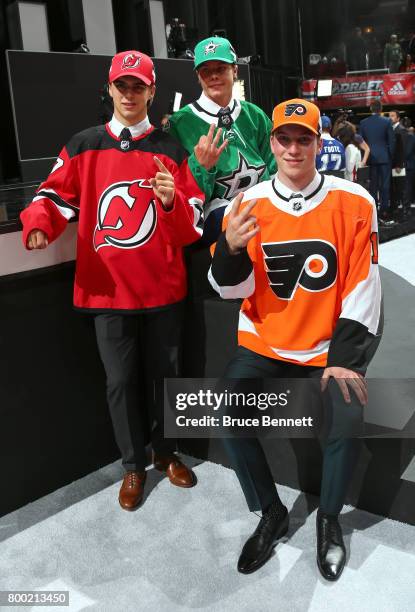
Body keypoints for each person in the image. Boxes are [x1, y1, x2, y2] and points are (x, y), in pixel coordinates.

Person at [20, 50, 205, 511]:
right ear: (109, 89)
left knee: (166, 378)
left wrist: (170, 204)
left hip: (162, 287)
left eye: (138, 86)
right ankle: (131, 466)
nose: (129, 94)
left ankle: (167, 453)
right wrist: (40, 221)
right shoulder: (83, 145)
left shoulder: (170, 149)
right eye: (122, 86)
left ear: (151, 91)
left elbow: (193, 222)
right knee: (120, 382)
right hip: (107, 291)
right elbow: (53, 195)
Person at [209, 98, 382, 581]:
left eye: (303, 138)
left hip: (327, 346)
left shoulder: (355, 201)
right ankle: (270, 511)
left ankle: (329, 519)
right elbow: (229, 287)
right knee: (224, 407)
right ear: (272, 143)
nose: (293, 148)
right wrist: (229, 249)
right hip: (264, 340)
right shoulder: (248, 204)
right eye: (284, 139)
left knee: (347, 418)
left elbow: (362, 283)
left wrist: (346, 359)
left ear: (317, 143)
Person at [165, 36, 277, 244]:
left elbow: (275, 167)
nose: (214, 76)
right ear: (198, 75)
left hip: (266, 220)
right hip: (215, 233)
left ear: (235, 71)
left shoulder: (255, 115)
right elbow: (179, 196)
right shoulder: (179, 125)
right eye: (206, 70)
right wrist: (201, 168)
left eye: (221, 68)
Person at [359, 99, 395, 223]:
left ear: (371, 109)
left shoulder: (363, 123)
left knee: (373, 186)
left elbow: (361, 143)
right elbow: (392, 142)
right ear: (380, 109)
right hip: (385, 158)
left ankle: (373, 211)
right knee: (385, 186)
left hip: (370, 159)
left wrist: (364, 158)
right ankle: (384, 212)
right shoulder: (387, 121)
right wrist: (391, 157)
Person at [389, 109, 408, 220]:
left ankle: (402, 211)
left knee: (399, 187)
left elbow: (403, 149)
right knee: (394, 187)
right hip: (392, 164)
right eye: (389, 115)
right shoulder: (391, 129)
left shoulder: (401, 130)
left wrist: (399, 164)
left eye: (392, 116)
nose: (390, 117)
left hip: (398, 165)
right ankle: (395, 208)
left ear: (398, 118)